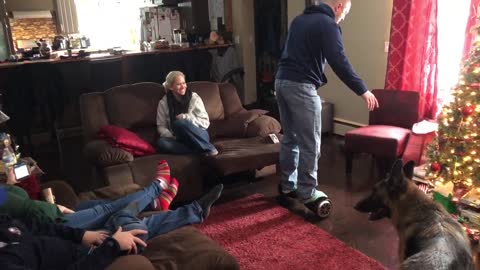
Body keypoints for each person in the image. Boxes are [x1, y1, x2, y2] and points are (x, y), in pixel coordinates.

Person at [275, 0, 379, 212]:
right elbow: (339, 61)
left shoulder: (299, 20)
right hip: (301, 86)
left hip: (281, 82)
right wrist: (362, 89)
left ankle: (288, 185)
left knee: (291, 138)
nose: (343, 18)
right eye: (344, 14)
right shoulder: (327, 24)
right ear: (339, 6)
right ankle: (307, 191)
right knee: (311, 142)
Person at [0, 159, 224, 244]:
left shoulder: (4, 192)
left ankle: (155, 202)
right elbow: (26, 208)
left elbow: (21, 203)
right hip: (53, 228)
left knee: (108, 208)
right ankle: (158, 189)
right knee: (117, 213)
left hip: (49, 224)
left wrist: (13, 182)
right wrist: (53, 207)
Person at [0, 212, 148, 270]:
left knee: (112, 211)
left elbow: (34, 224)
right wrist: (112, 245)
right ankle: (157, 188)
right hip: (88, 258)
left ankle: (156, 191)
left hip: (71, 239)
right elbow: (27, 206)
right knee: (133, 225)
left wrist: (80, 235)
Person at [156, 71, 219, 156]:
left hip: (198, 135)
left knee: (179, 123)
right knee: (162, 142)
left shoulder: (194, 98)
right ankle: (198, 151)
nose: (183, 86)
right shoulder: (163, 103)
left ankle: (209, 148)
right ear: (171, 87)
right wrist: (172, 136)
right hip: (178, 138)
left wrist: (187, 117)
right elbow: (161, 126)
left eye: (184, 83)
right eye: (179, 84)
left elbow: (205, 123)